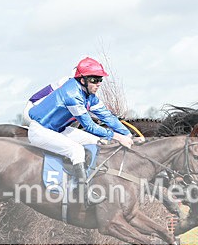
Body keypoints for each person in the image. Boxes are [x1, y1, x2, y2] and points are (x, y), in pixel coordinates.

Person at [27, 57, 134, 202]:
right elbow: (90, 126)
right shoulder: (72, 94)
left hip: (59, 129)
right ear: (83, 80)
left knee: (97, 142)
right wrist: (118, 137)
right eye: (94, 80)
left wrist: (128, 134)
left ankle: (94, 178)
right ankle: (83, 193)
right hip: (40, 131)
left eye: (100, 80)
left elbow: (108, 117)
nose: (98, 84)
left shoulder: (90, 96)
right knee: (76, 150)